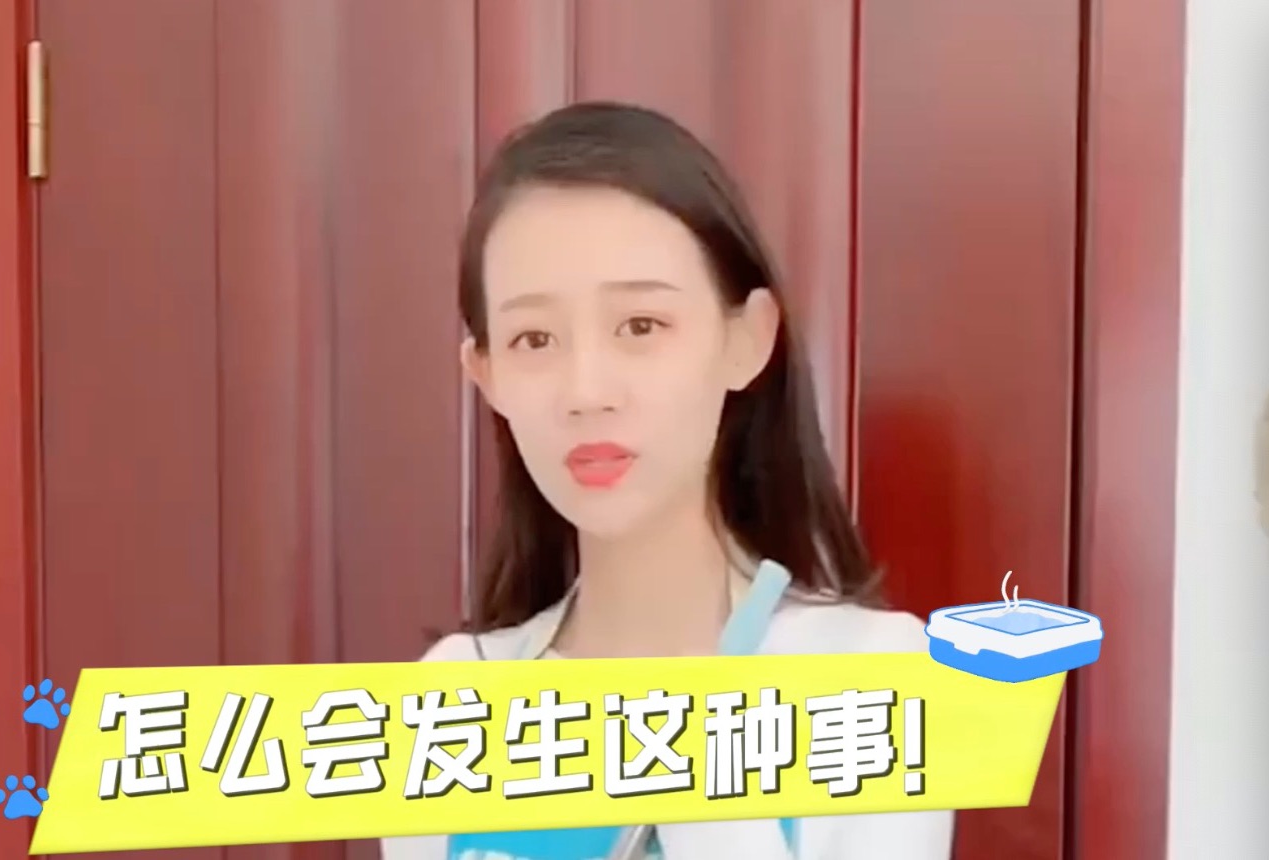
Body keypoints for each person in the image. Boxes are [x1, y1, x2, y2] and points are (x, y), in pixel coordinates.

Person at [380, 101, 954, 860]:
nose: (587, 390)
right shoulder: (452, 698)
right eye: (534, 339)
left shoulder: (869, 677)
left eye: (641, 326)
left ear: (747, 340)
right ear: (486, 376)